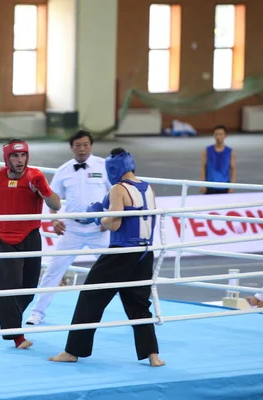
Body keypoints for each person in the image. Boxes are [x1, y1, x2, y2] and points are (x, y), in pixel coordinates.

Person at [49, 147, 165, 367]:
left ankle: (73, 351)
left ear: (114, 168)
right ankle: (153, 355)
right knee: (139, 305)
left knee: (89, 298)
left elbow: (114, 223)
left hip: (120, 254)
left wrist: (97, 217)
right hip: (145, 254)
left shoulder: (119, 190)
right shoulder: (148, 188)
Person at [0, 138, 61, 349]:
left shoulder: (35, 176)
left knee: (29, 288)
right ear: (7, 158)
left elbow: (56, 205)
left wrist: (44, 189)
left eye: (23, 154)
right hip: (5, 238)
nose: (20, 159)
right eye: (15, 155)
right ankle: (16, 335)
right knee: (7, 288)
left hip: (31, 236)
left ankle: (12, 322)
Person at [26, 130, 111, 325]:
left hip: (99, 229)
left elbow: (115, 193)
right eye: (78, 145)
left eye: (86, 144)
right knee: (53, 271)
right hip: (71, 229)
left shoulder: (103, 166)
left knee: (118, 271)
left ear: (91, 145)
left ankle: (138, 316)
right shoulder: (63, 170)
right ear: (71, 147)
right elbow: (51, 197)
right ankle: (36, 313)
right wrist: (54, 220)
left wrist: (110, 218)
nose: (82, 149)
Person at [199, 125, 236, 194]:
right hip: (209, 186)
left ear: (225, 136)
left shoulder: (230, 151)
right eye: (216, 134)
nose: (218, 137)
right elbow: (203, 167)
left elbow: (233, 168)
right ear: (214, 136)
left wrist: (232, 185)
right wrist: (202, 183)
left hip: (225, 186)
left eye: (221, 134)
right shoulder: (207, 150)